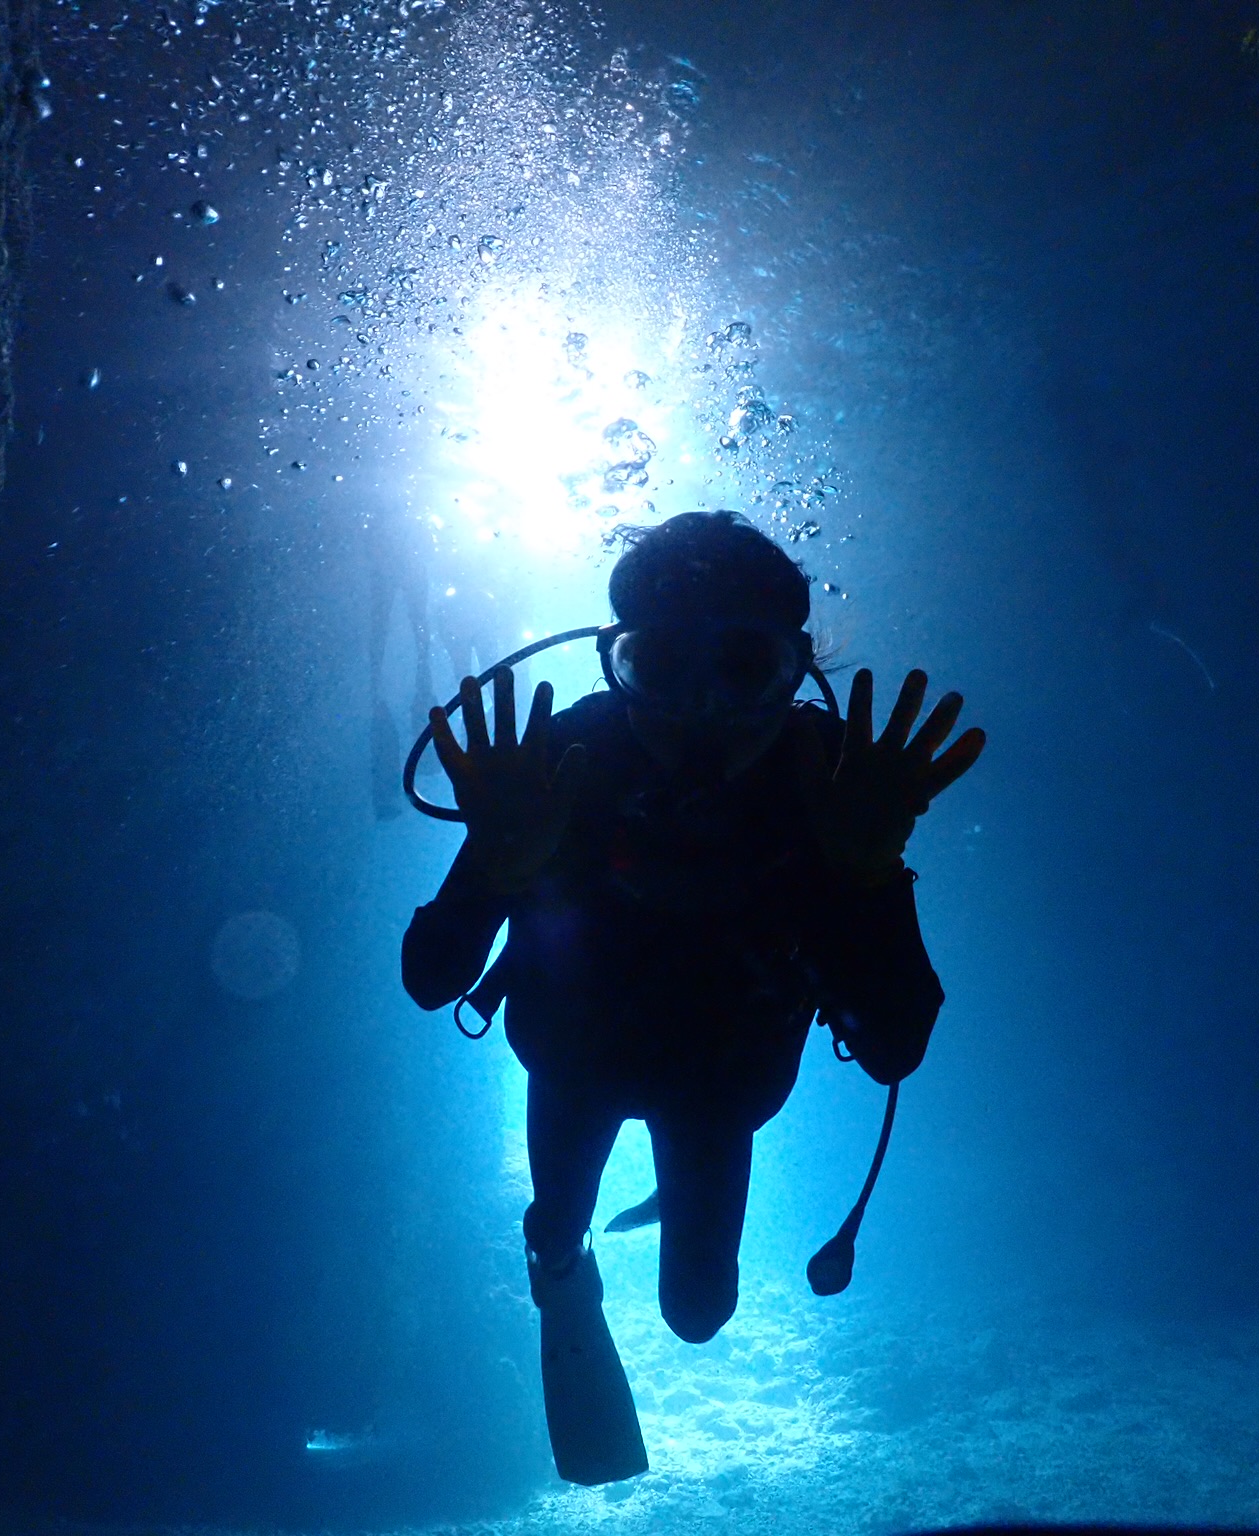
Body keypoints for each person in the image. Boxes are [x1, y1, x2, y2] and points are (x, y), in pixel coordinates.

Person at [400, 511, 984, 1484]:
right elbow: (431, 978)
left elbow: (891, 1046)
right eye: (659, 666)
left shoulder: (835, 789)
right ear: (610, 663)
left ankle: (623, 1215)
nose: (702, 711)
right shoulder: (553, 772)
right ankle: (560, 1264)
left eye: (743, 667)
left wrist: (868, 871)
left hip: (714, 1088)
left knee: (698, 1317)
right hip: (578, 1063)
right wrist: (495, 865)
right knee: (555, 1231)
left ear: (795, 668)